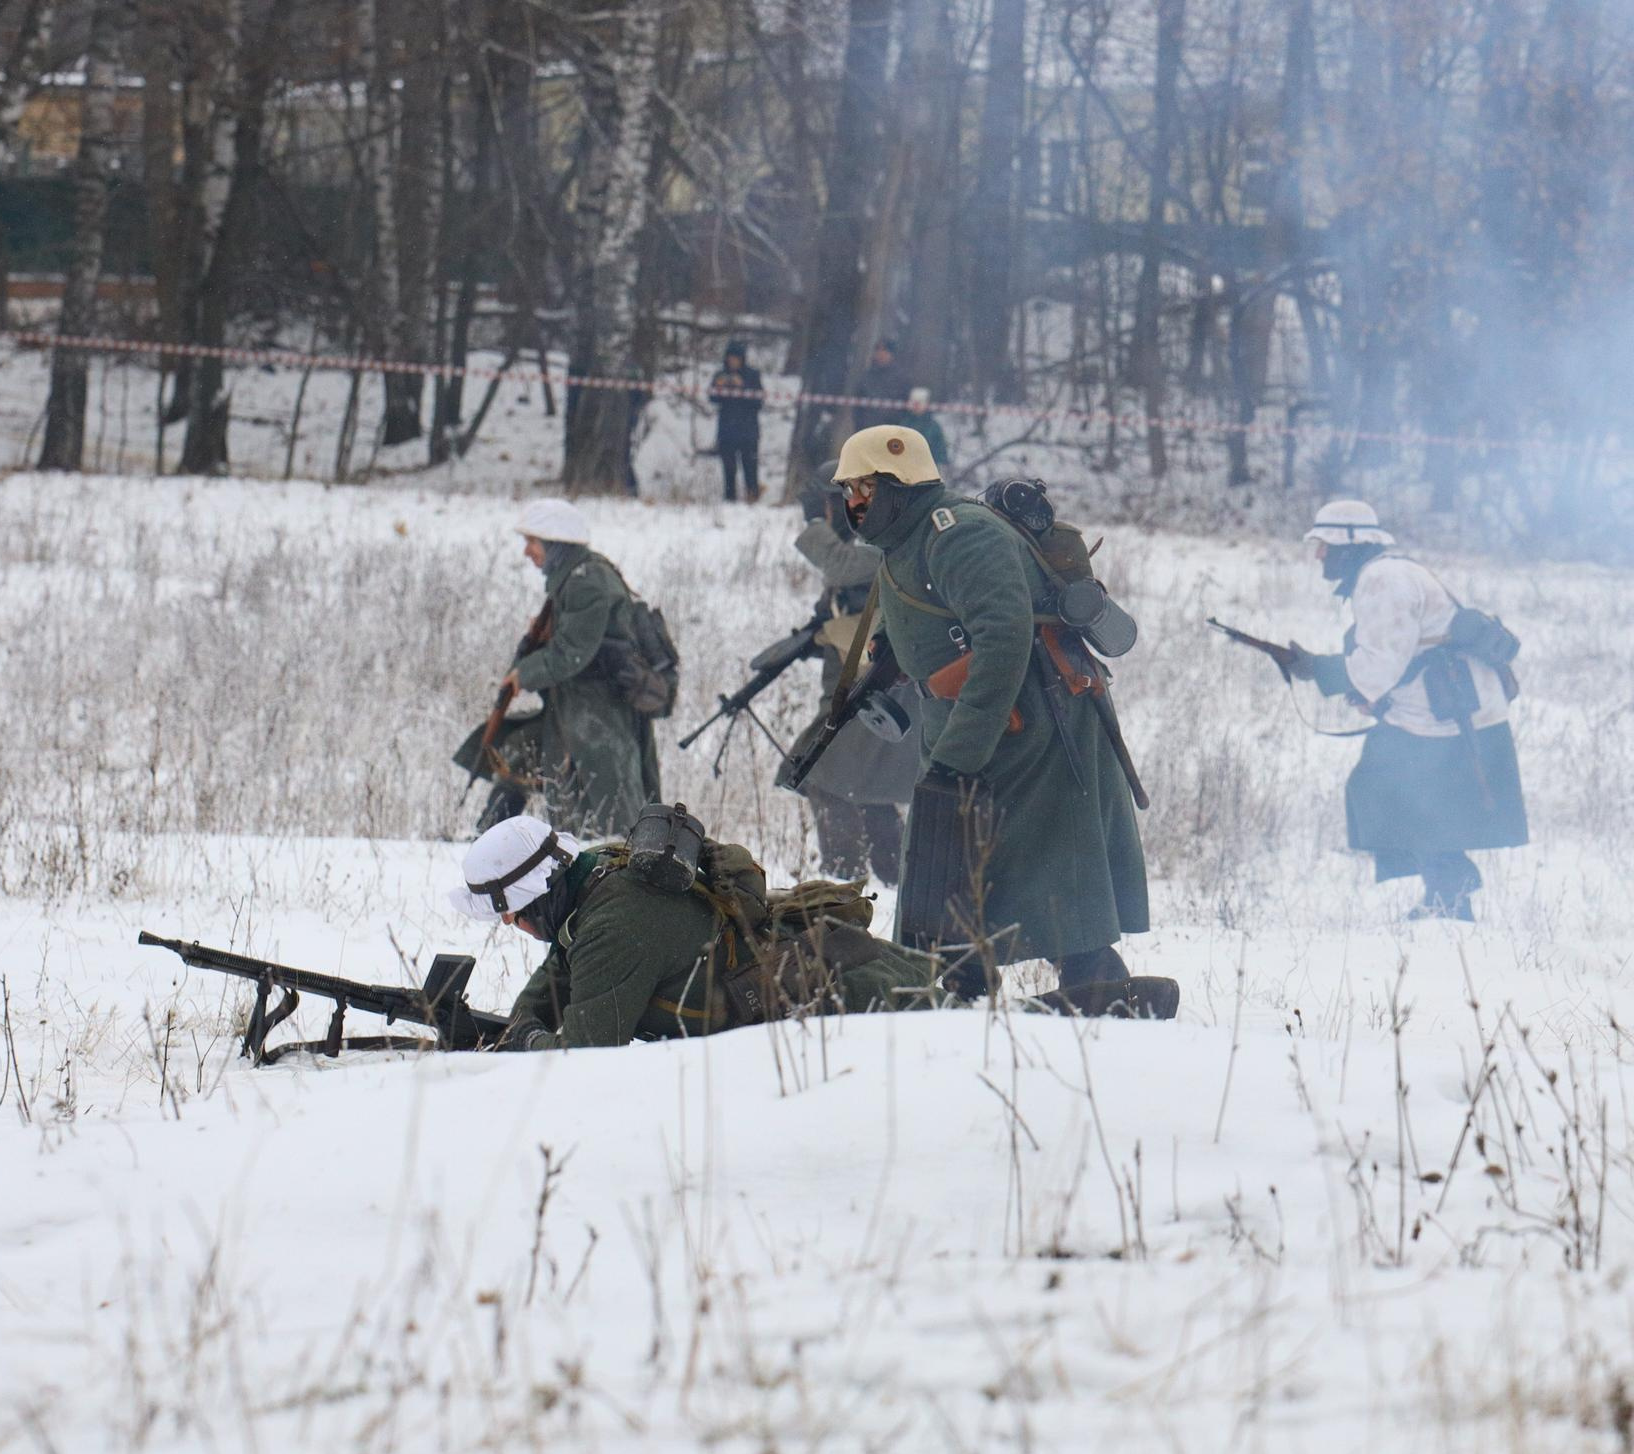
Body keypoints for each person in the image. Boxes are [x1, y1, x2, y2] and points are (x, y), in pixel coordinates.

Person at [832, 423, 1148, 990]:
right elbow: (931, 610)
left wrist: (959, 753)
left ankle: (1089, 983)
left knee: (1027, 851)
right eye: (850, 490)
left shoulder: (958, 534)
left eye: (863, 489)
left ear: (896, 485)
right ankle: (964, 979)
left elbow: (1003, 638)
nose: (853, 503)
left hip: (1039, 721)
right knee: (954, 851)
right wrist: (890, 644)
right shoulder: (910, 537)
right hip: (989, 717)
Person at [447, 814, 946, 1050]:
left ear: (535, 896)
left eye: (509, 912)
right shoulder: (596, 872)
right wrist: (519, 1024)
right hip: (830, 965)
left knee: (976, 1026)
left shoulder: (613, 927)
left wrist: (528, 1043)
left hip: (848, 996)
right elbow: (562, 962)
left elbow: (587, 1056)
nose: (511, 923)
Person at [1295, 499, 1529, 922]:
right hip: (1441, 707)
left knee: (1391, 788)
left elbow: (1382, 662)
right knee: (1409, 794)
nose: (1319, 555)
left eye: (1326, 545)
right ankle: (1448, 892)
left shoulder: (1383, 579)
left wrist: (1321, 670)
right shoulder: (1384, 573)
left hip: (1447, 711)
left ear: (1351, 544)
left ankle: (1450, 885)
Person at [455, 499, 664, 839]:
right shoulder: (574, 577)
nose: (527, 552)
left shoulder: (587, 581)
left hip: (598, 710)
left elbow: (573, 652)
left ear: (556, 545)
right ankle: (488, 839)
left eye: (533, 542)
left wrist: (526, 673)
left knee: (610, 803)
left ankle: (620, 863)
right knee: (520, 751)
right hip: (576, 704)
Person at [790, 470, 924, 882]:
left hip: (881, 685)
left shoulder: (891, 539)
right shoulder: (872, 538)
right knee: (868, 782)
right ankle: (894, 876)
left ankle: (842, 877)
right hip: (863, 683)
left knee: (825, 772)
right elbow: (843, 595)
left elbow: (844, 565)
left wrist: (816, 525)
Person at [707, 340, 765, 503]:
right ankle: (729, 498)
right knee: (729, 468)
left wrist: (743, 387)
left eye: (736, 358)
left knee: (750, 467)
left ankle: (752, 496)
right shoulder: (720, 375)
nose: (733, 361)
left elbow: (758, 401)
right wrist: (719, 387)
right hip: (727, 430)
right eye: (730, 358)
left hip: (748, 431)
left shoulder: (752, 376)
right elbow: (712, 397)